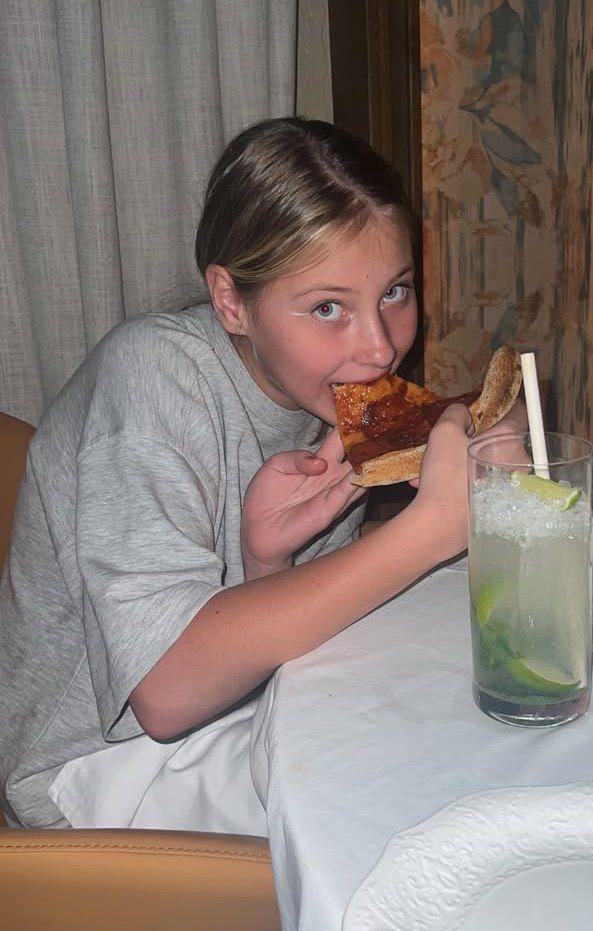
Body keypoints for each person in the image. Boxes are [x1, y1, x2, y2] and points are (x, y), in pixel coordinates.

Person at [0, 117, 527, 831]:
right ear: (230, 302)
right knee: (420, 799)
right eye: (328, 307)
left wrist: (265, 562)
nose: (380, 349)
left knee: (470, 728)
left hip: (243, 707)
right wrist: (429, 529)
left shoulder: (330, 394)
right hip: (101, 771)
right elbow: (163, 694)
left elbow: (289, 637)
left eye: (395, 292)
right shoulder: (151, 373)